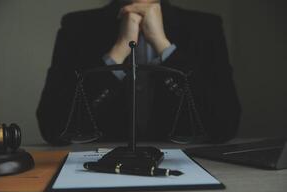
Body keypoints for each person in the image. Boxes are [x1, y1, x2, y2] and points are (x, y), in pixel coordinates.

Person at [36, 0, 241, 145]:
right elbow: (53, 128)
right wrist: (118, 52)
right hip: (96, 169)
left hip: (183, 168)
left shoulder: (205, 27)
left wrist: (164, 47)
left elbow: (225, 126)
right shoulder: (77, 27)